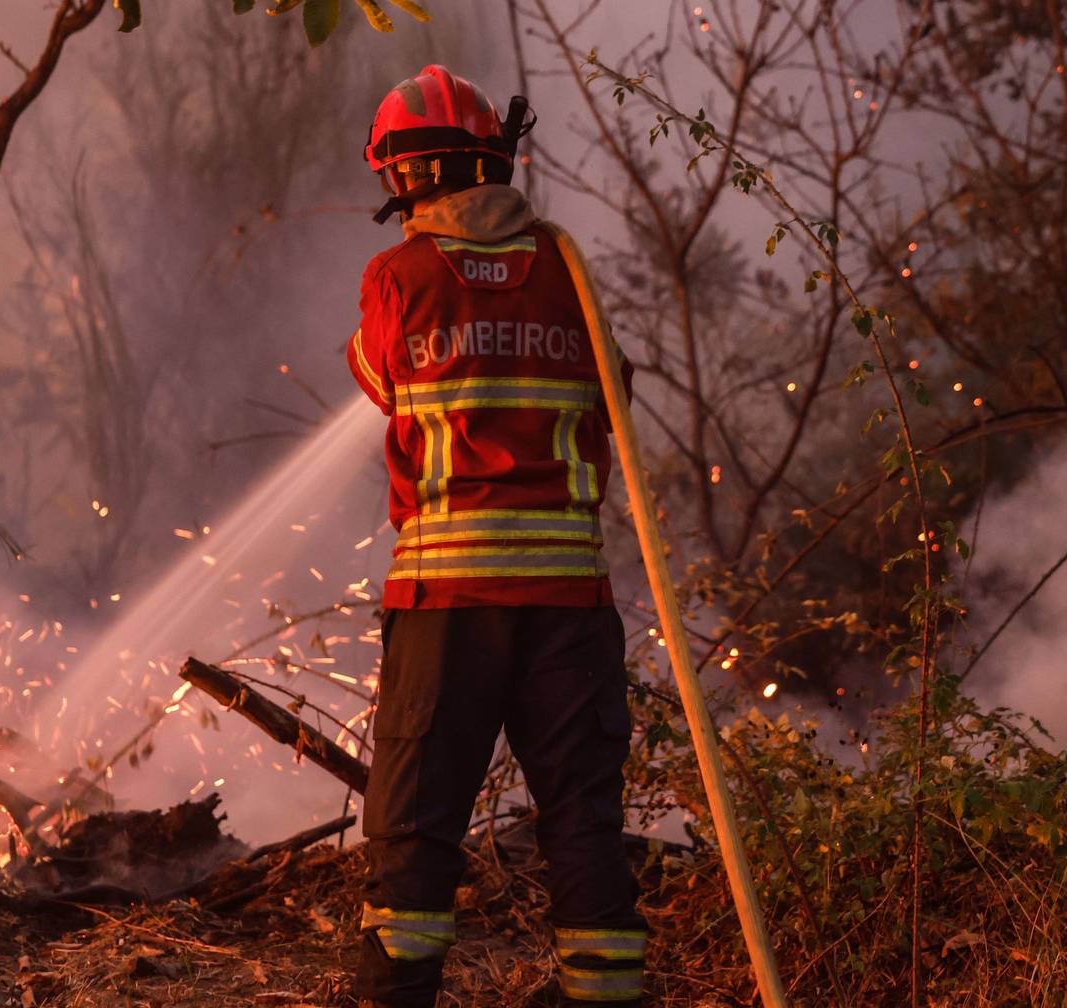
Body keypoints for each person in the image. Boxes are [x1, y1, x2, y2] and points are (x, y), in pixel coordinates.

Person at [344, 65, 646, 1008]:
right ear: (495, 157)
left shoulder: (398, 277)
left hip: (447, 602)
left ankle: (395, 995)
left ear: (404, 175)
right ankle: (605, 993)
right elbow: (617, 392)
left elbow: (378, 380)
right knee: (584, 820)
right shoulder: (567, 269)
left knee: (415, 825)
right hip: (570, 604)